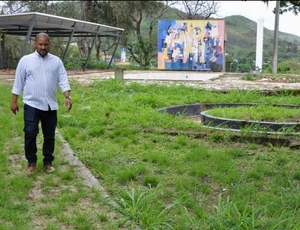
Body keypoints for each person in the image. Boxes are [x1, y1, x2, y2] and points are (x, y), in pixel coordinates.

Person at [10, 32, 72, 173]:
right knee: (30, 132)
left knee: (49, 135)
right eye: (40, 44)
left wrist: (68, 97)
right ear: (35, 44)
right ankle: (31, 162)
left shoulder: (56, 61)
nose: (43, 47)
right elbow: (18, 82)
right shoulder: (26, 61)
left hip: (50, 105)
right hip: (32, 104)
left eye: (45, 44)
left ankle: (48, 161)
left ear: (49, 45)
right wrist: (14, 101)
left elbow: (63, 80)